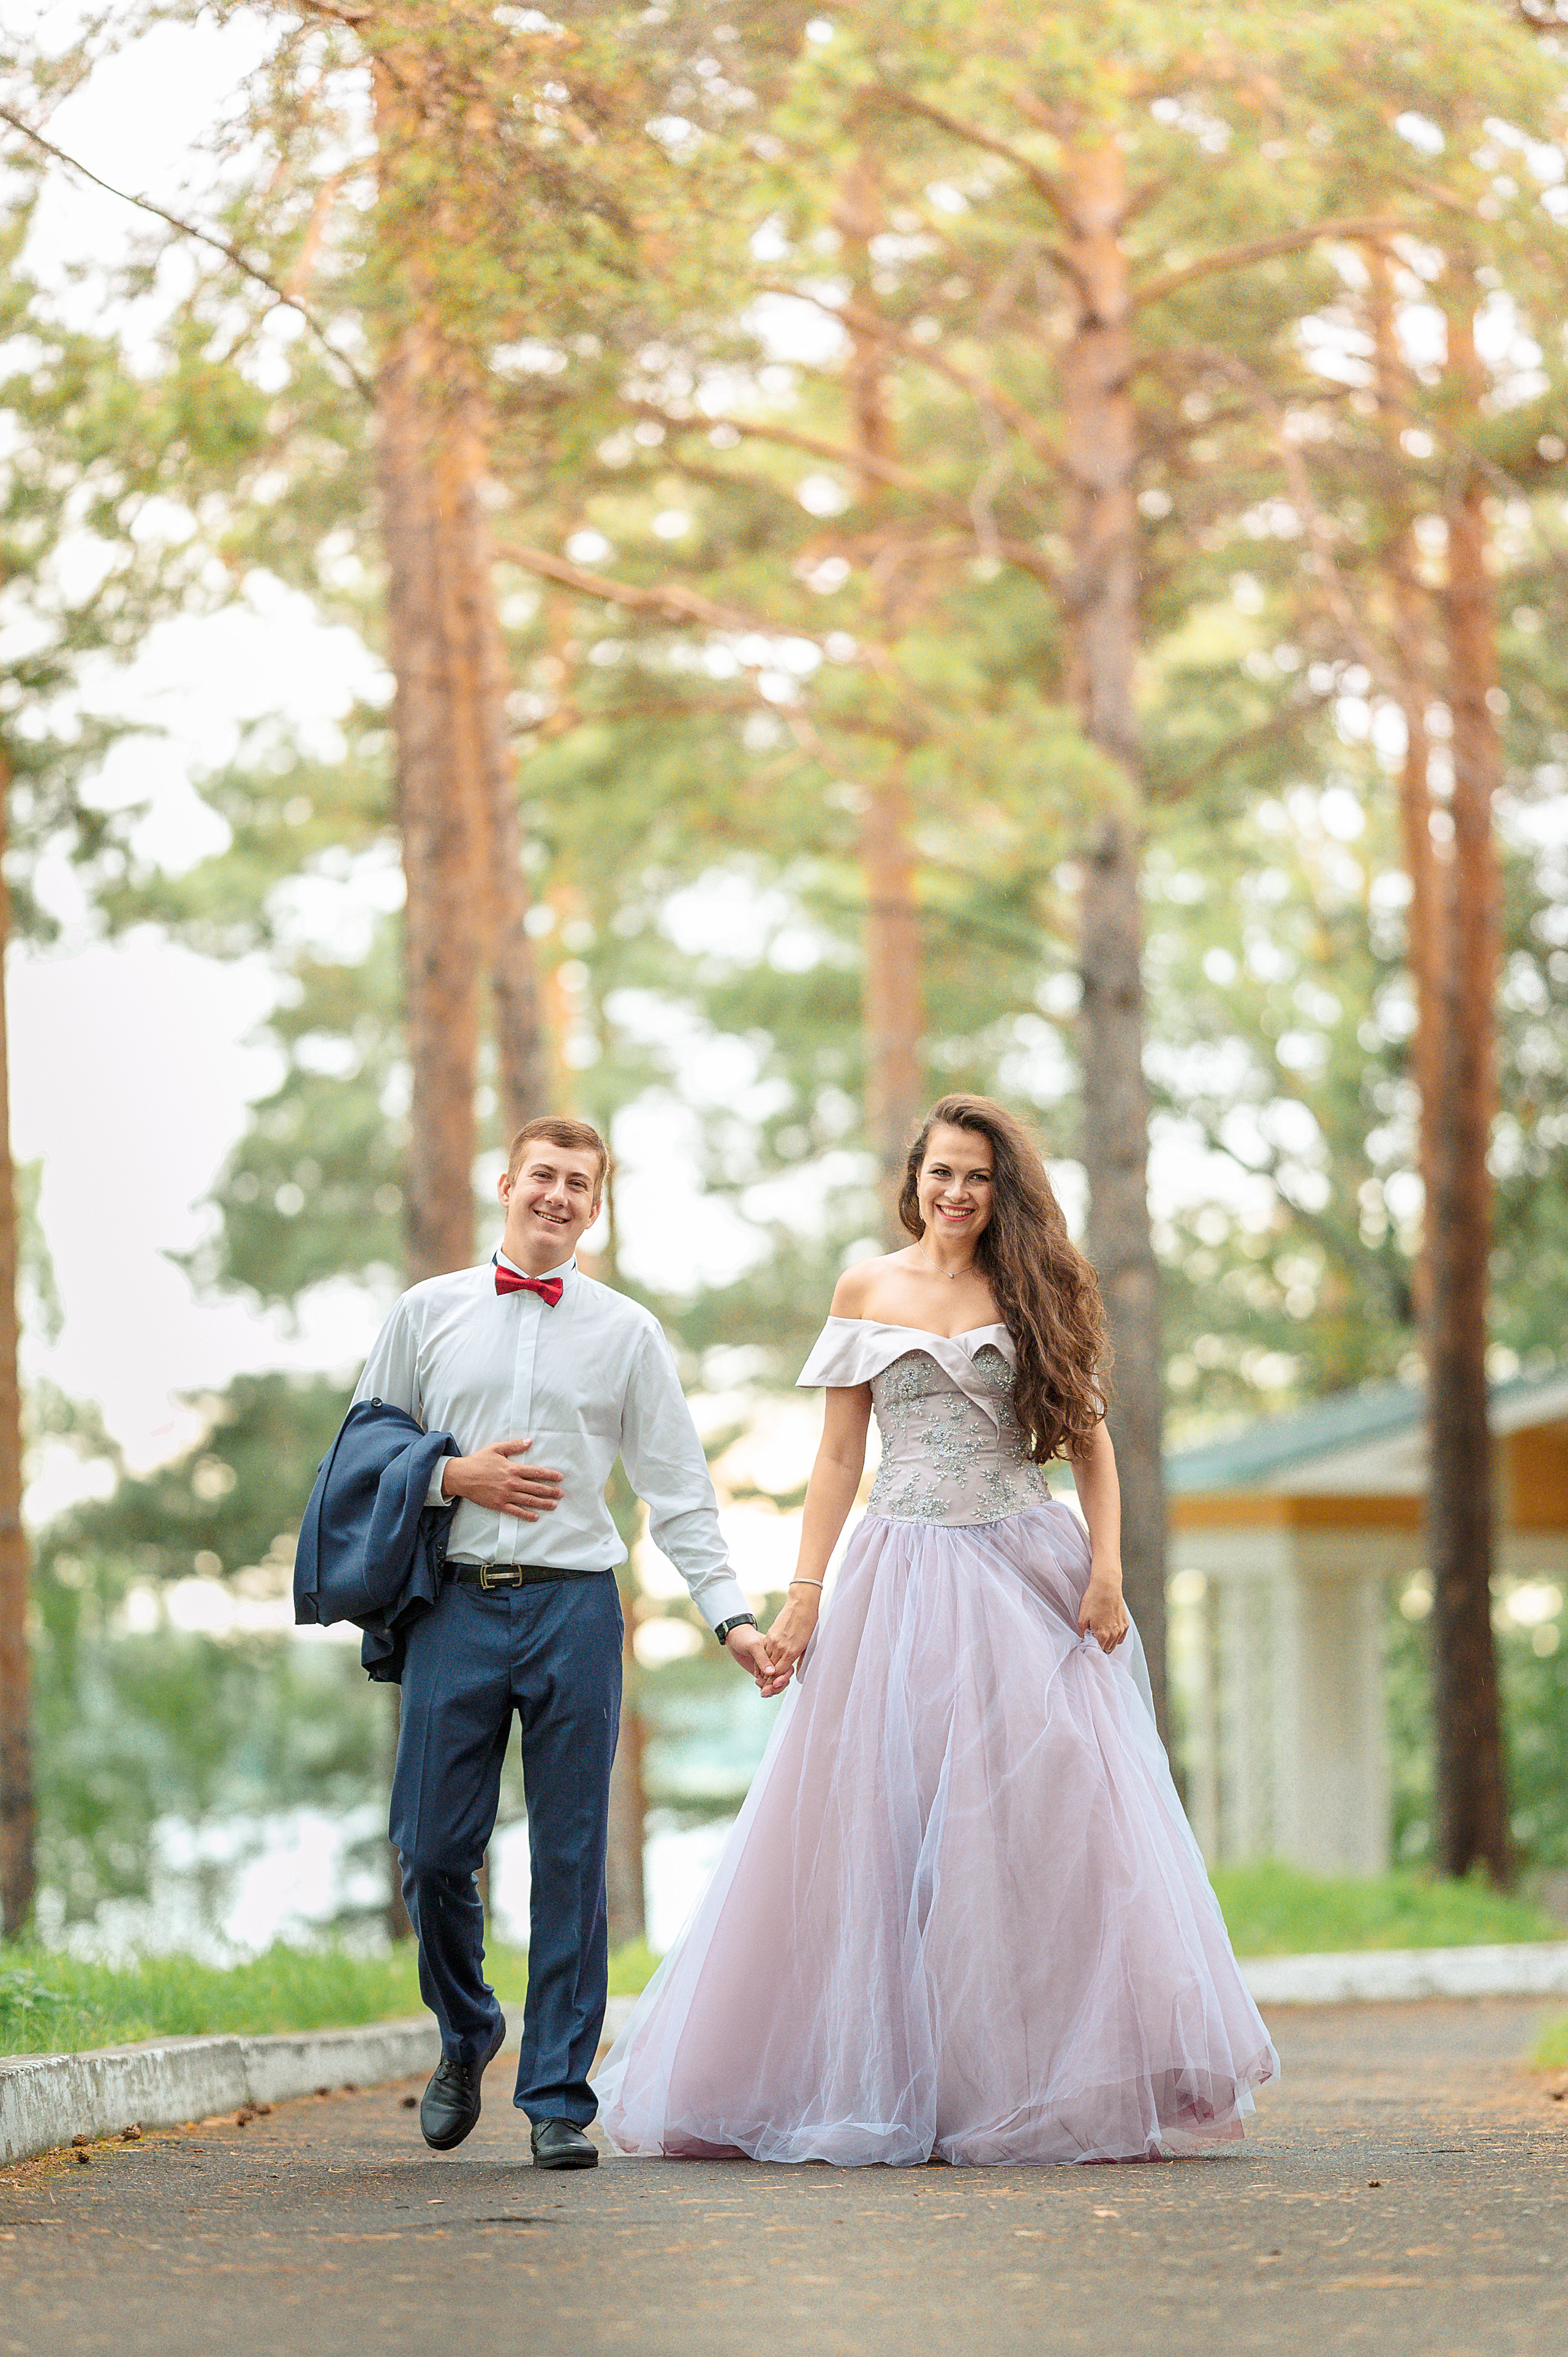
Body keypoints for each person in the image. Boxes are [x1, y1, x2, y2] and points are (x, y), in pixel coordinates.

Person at [595, 1093, 1279, 2166]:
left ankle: (1038, 2080)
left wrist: (1106, 1572)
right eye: (942, 1172)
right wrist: (806, 1591)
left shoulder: (1036, 1287)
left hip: (1026, 1572)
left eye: (978, 1176)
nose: (957, 1193)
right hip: (899, 1576)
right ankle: (889, 2081)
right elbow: (837, 1457)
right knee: (883, 1819)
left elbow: (1092, 1446)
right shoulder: (867, 1287)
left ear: (1003, 1191)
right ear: (914, 1179)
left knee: (1050, 1814)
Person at [355, 1115, 778, 2170]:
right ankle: (467, 2031)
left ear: (596, 1206)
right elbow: (363, 1456)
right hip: (454, 1608)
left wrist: (729, 1615)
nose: (558, 1195)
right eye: (543, 1175)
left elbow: (678, 1490)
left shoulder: (628, 1333)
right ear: (506, 1185)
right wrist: (454, 1476)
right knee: (431, 1849)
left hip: (576, 1611)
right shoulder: (425, 1313)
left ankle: (556, 2095)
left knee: (573, 1856)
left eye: (579, 1184)